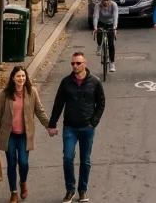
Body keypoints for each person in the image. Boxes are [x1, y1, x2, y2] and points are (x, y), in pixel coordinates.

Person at [47, 52, 106, 203]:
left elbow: (101, 104)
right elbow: (58, 104)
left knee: (85, 160)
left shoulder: (95, 82)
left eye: (78, 63)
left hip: (87, 127)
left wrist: (93, 122)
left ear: (85, 63)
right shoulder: (66, 82)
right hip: (70, 128)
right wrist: (52, 124)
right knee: (68, 157)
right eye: (73, 63)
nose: (75, 66)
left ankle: (82, 190)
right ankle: (70, 189)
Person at [0, 65, 49, 203]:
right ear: (13, 78)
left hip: (24, 135)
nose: (21, 78)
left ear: (26, 77)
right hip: (9, 134)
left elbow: (39, 111)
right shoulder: (5, 94)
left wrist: (49, 126)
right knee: (11, 163)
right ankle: (13, 193)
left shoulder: (31, 92)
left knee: (23, 163)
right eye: (18, 76)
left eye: (23, 76)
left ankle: (23, 182)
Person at [93, 0, 119, 73]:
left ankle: (112, 63)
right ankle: (99, 46)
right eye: (104, 0)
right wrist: (95, 27)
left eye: (108, 0)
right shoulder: (98, 6)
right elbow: (96, 16)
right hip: (102, 23)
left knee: (111, 44)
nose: (106, 2)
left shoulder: (114, 5)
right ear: (102, 0)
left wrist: (114, 28)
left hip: (111, 24)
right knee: (99, 32)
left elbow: (115, 17)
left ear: (110, 0)